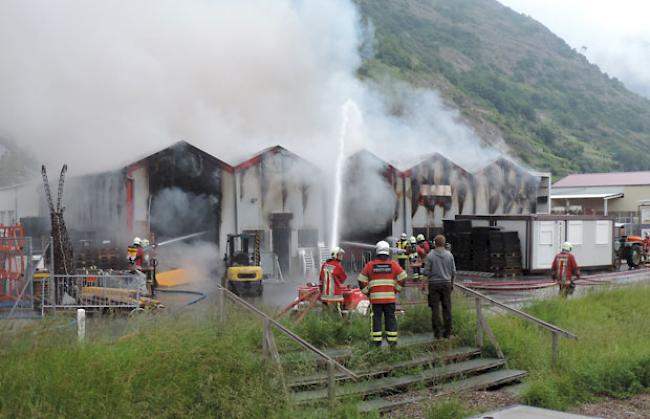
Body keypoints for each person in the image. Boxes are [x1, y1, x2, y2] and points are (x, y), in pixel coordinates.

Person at [358, 241, 407, 347]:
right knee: (390, 318)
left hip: (375, 299)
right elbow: (403, 277)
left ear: (377, 251)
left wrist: (367, 292)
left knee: (376, 319)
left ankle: (376, 342)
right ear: (387, 252)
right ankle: (392, 342)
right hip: (390, 299)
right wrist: (396, 289)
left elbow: (360, 280)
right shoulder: (393, 265)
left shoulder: (370, 265)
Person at [422, 234, 456, 339]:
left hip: (434, 285)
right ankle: (448, 332)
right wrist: (452, 284)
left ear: (434, 243)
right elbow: (453, 271)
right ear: (444, 243)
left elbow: (426, 272)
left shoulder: (430, 256)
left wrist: (423, 285)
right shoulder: (449, 255)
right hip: (446, 284)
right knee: (447, 308)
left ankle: (438, 334)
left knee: (435, 309)